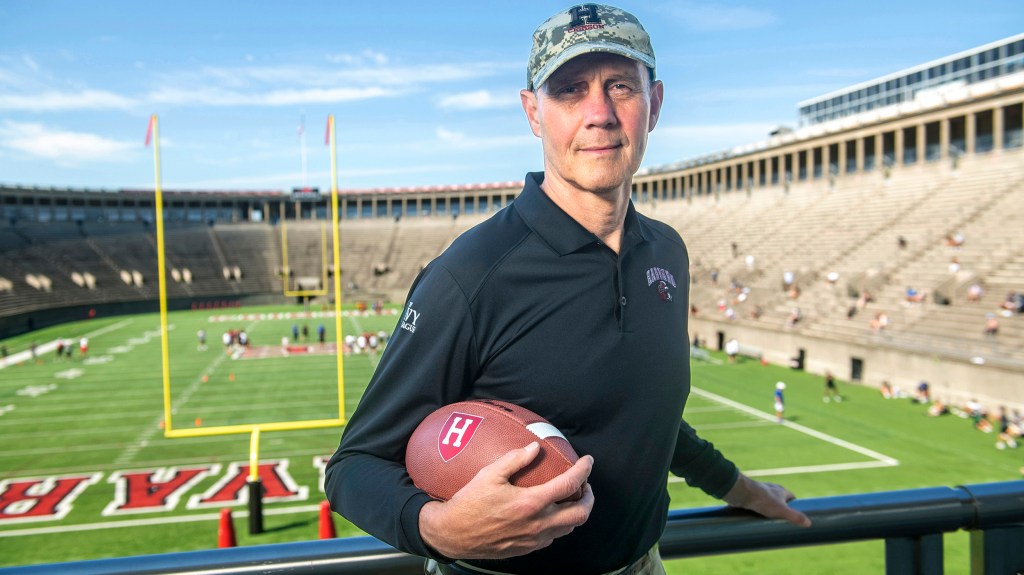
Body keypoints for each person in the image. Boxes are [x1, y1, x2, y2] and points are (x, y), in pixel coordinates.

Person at [324, 6, 809, 575]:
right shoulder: (472, 273)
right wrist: (439, 529)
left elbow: (647, 414)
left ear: (653, 104)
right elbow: (353, 466)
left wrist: (741, 489)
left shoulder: (666, 253)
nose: (599, 114)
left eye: (620, 86)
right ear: (534, 113)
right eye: (570, 90)